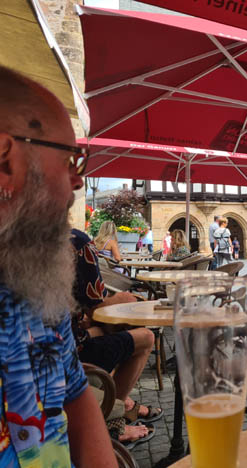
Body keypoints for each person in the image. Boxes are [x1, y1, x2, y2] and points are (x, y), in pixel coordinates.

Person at [0, 65, 115, 465]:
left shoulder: (33, 282)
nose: (79, 180)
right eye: (72, 160)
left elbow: (75, 394)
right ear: (5, 159)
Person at [71, 229, 160, 446]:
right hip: (66, 353)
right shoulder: (77, 242)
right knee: (146, 337)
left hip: (52, 344)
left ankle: (122, 403)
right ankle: (113, 420)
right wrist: (121, 298)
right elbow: (96, 306)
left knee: (105, 329)